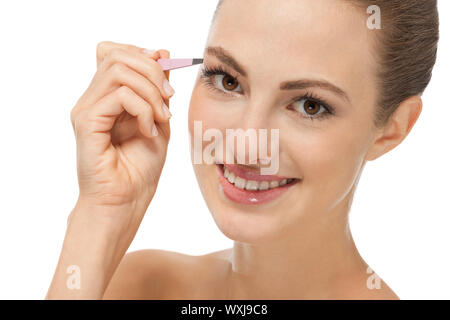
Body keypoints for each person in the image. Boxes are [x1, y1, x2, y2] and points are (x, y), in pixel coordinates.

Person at [47, 0, 439, 299]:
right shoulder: (141, 286)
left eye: (310, 105)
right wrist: (102, 212)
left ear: (391, 130)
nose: (247, 145)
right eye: (228, 80)